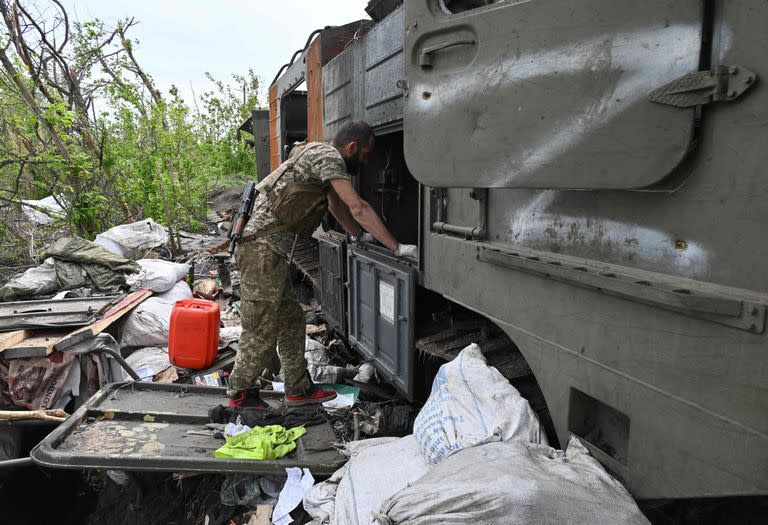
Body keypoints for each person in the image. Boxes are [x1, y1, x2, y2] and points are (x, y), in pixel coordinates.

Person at [228, 120, 417, 407]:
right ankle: (241, 395)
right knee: (260, 326)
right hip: (260, 250)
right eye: (365, 154)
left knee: (291, 320)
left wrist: (358, 235)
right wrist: (397, 247)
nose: (365, 162)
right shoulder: (329, 158)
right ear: (351, 147)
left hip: (268, 250)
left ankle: (298, 388)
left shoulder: (316, 154)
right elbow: (358, 207)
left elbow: (336, 206)